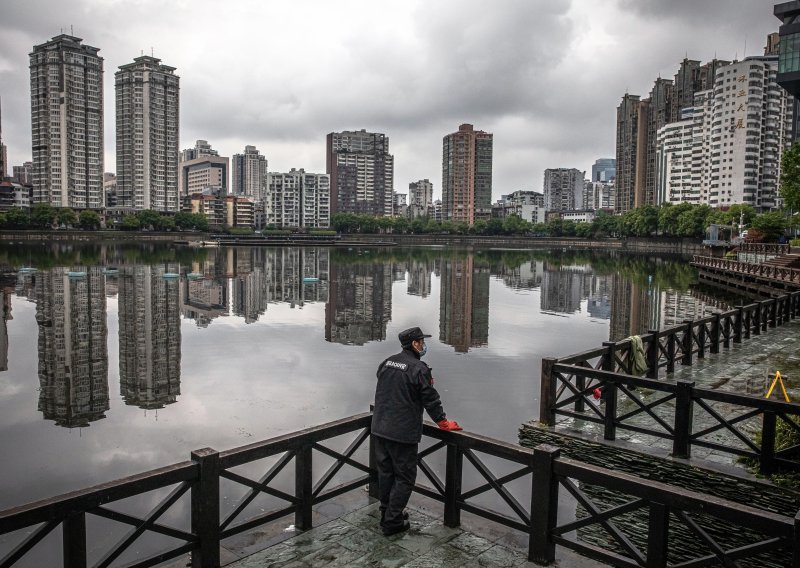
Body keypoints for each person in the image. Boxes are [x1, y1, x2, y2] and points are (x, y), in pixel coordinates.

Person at [372, 326, 462, 536]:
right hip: (402, 433)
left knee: (386, 473)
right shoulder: (418, 368)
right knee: (405, 477)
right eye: (421, 341)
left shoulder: (387, 362)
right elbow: (430, 398)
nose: (423, 345)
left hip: (379, 428)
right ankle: (392, 522)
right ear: (414, 344)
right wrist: (442, 421)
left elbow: (387, 388)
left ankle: (387, 512)